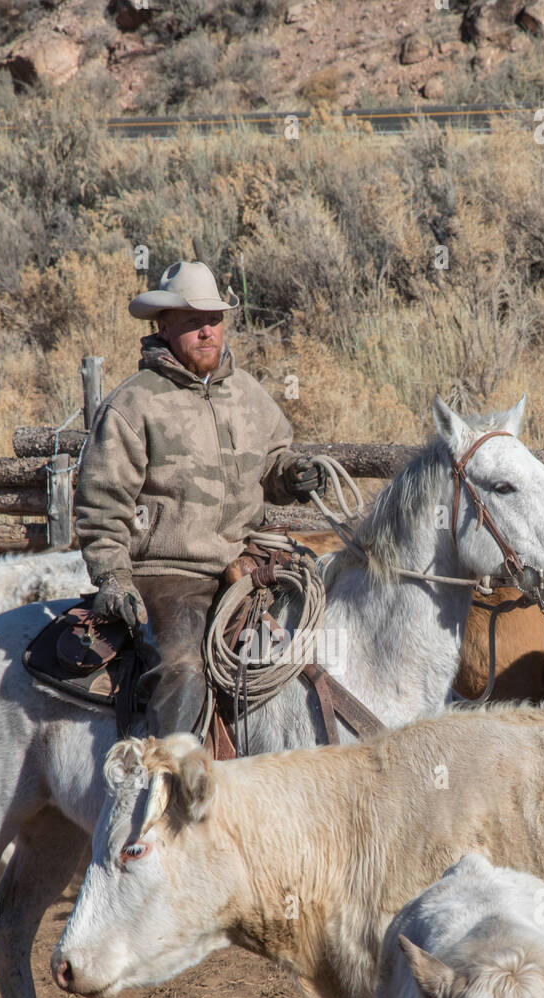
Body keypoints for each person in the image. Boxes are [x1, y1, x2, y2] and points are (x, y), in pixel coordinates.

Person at [73, 260, 327, 736]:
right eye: (192, 323)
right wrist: (112, 576)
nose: (207, 332)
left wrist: (292, 475)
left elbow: (272, 461)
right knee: (183, 669)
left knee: (323, 642)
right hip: (171, 575)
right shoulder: (133, 404)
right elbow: (101, 502)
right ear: (163, 326)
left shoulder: (248, 394)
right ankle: (172, 780)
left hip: (249, 562)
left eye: (213, 320)